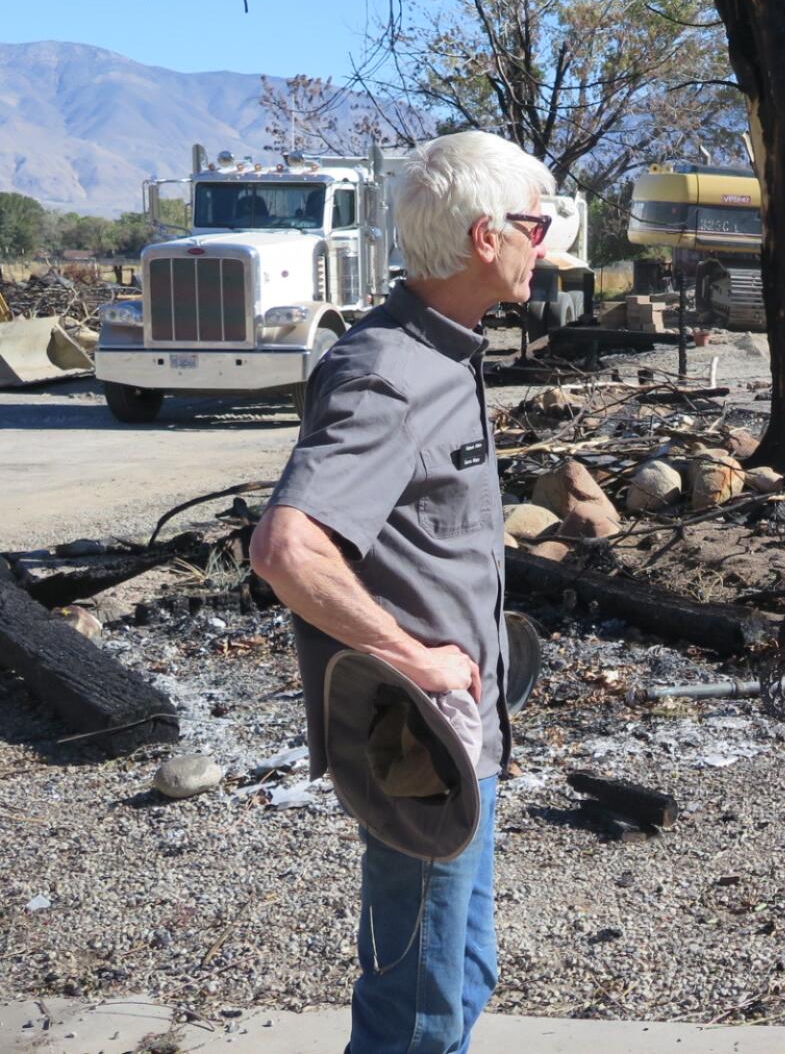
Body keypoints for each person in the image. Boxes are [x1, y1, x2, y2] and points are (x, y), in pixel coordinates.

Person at [249, 129, 553, 1054]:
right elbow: (286, 549)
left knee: (459, 978)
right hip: (419, 744)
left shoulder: (448, 350)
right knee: (413, 1017)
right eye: (534, 225)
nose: (547, 244)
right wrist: (414, 656)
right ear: (482, 237)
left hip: (467, 734)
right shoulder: (385, 373)